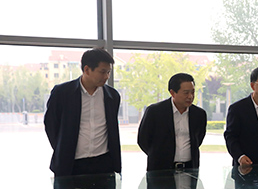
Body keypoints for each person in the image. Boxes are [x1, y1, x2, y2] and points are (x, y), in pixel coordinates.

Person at [44, 48, 121, 177]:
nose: (106, 77)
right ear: (87, 70)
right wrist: (62, 148)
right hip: (71, 164)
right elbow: (51, 125)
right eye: (102, 72)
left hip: (104, 163)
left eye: (108, 72)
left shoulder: (112, 96)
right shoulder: (62, 93)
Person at [138, 73, 207, 171]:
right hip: (160, 170)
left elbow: (198, 139)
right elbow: (143, 140)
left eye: (192, 92)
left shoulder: (199, 114)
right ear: (172, 93)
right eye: (186, 93)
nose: (190, 96)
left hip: (190, 168)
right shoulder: (155, 112)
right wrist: (156, 156)